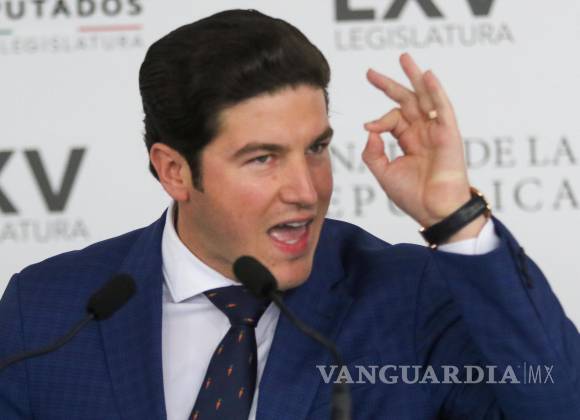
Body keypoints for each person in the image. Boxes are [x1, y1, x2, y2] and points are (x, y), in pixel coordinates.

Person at [1, 9, 579, 420]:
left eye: (317, 148)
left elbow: (558, 403)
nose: (307, 190)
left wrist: (457, 217)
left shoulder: (407, 297)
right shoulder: (48, 313)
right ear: (174, 170)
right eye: (263, 158)